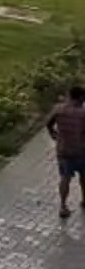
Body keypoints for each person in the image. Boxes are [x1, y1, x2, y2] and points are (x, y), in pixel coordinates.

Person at [50, 85, 85, 221]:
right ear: (80, 98)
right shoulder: (82, 114)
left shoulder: (58, 110)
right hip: (81, 151)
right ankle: (84, 200)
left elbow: (49, 123)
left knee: (65, 178)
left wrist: (54, 134)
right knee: (84, 177)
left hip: (63, 151)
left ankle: (63, 206)